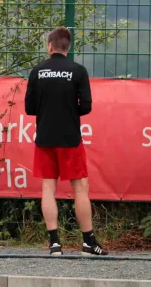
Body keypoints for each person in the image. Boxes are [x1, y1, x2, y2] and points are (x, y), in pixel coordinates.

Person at [24, 26, 108, 256]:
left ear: (49, 46)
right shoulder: (78, 70)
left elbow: (29, 107)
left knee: (48, 188)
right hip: (70, 138)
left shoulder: (37, 70)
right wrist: (70, 111)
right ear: (67, 48)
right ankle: (88, 243)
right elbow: (87, 106)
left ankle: (54, 244)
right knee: (80, 189)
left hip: (45, 137)